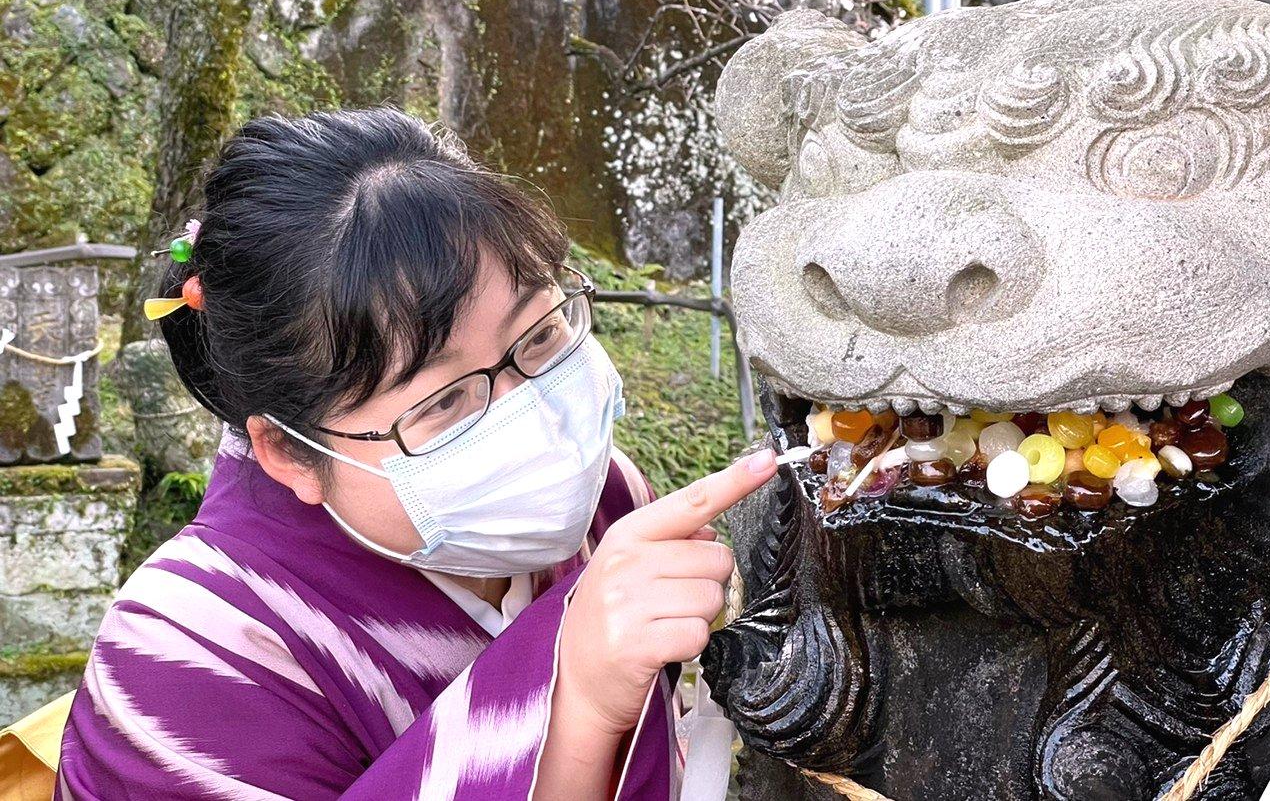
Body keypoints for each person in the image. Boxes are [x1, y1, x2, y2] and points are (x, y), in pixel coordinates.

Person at [54, 108, 776, 799]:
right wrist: (571, 696)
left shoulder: (607, 501)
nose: (537, 418)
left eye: (541, 335)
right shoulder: (189, 650)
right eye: (443, 401)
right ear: (288, 452)